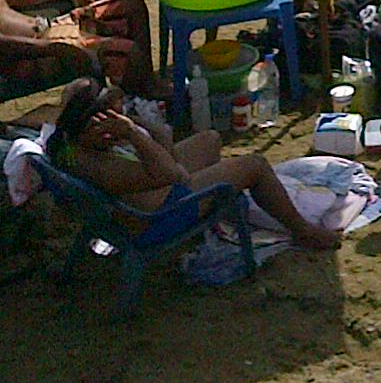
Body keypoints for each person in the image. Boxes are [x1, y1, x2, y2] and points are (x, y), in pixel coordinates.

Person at [50, 75, 339, 251]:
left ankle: (216, 199)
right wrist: (132, 135)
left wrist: (136, 125)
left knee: (211, 139)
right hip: (160, 217)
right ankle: (302, 230)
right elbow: (173, 173)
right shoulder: (104, 167)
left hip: (152, 193)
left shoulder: (72, 145)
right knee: (255, 165)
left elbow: (165, 143)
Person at [0, 0, 154, 90]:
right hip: (30, 54)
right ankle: (142, 92)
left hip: (51, 27)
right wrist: (53, 48)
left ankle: (140, 85)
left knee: (131, 5)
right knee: (127, 52)